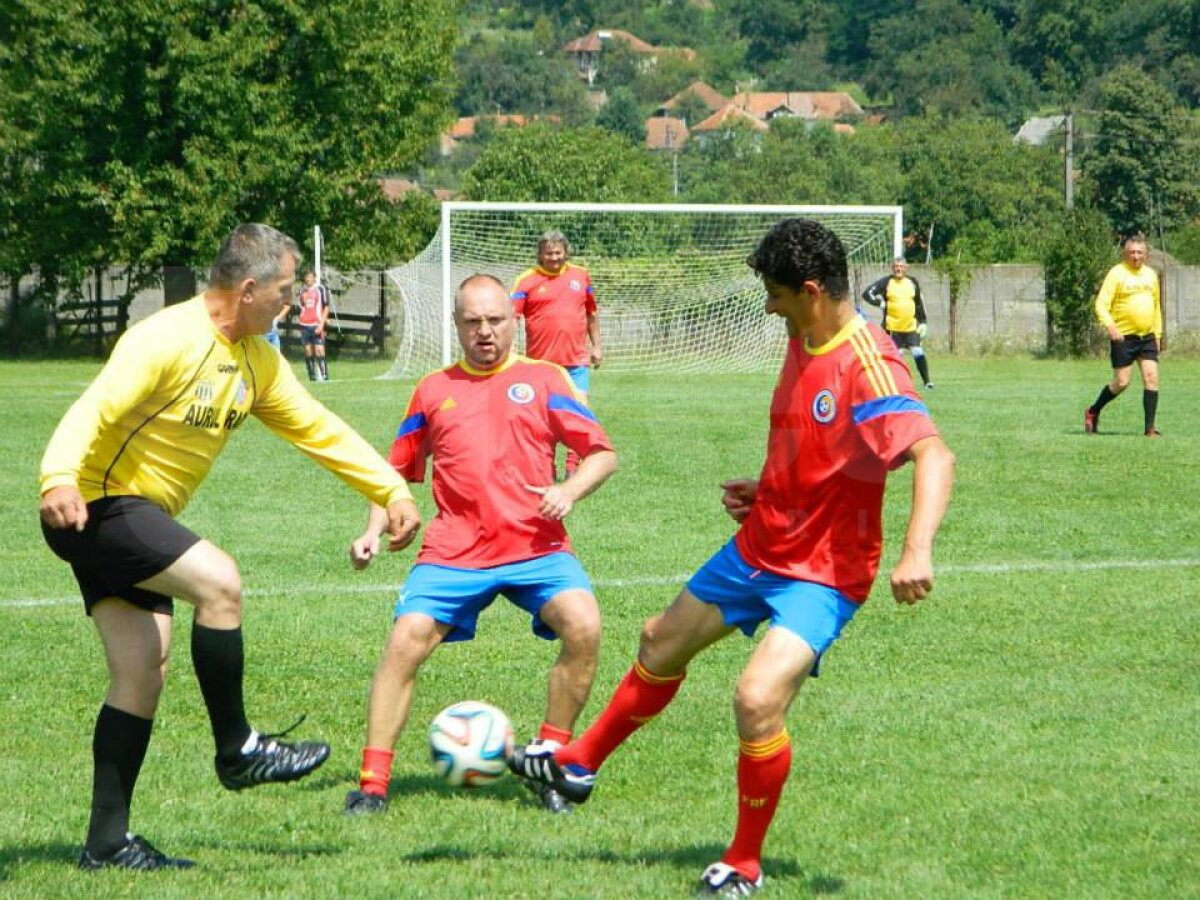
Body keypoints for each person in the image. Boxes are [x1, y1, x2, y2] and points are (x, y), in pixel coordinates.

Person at [509, 219, 955, 896]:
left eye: (775, 294)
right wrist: (770, 486)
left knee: (755, 699)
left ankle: (744, 862)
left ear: (810, 290)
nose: (768, 306)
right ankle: (580, 764)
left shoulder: (871, 363)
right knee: (659, 641)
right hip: (762, 543)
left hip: (825, 572)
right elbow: (819, 443)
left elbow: (932, 453)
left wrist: (916, 551)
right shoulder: (800, 335)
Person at [38, 223, 422, 871]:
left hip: (132, 516)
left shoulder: (258, 361)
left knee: (140, 671)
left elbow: (319, 430)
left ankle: (105, 844)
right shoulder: (165, 338)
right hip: (94, 503)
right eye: (285, 288)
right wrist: (57, 476)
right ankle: (238, 748)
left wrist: (391, 491)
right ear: (247, 289)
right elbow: (97, 407)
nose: (294, 300)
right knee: (219, 581)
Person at [343, 273, 617, 818]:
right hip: (454, 551)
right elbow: (392, 473)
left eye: (495, 321)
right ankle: (372, 785)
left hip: (537, 548)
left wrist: (567, 490)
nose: (485, 332)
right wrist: (373, 530)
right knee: (405, 643)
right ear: (456, 325)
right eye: (473, 322)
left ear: (512, 321)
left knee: (584, 624)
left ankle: (548, 760)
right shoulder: (432, 389)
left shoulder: (547, 379)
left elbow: (602, 453)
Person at [510, 231, 603, 473]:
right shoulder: (526, 280)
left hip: (575, 361)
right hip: (540, 366)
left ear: (565, 252)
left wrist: (597, 346)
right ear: (540, 254)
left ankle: (572, 465)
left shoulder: (581, 276)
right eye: (548, 253)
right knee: (542, 417)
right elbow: (512, 318)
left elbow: (591, 313)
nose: (554, 257)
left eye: (558, 252)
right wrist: (511, 348)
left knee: (580, 411)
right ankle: (545, 464)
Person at [1084, 234, 1163, 436]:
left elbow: (1156, 307)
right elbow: (1101, 304)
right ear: (1125, 254)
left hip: (1146, 336)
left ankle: (1150, 429)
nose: (1136, 256)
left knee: (1152, 377)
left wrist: (1158, 334)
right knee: (1121, 382)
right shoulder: (1117, 273)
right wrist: (1110, 326)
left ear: (1146, 255)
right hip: (1123, 338)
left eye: (1140, 252)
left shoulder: (1150, 275)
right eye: (1132, 252)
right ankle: (1093, 411)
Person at [862, 257, 934, 389]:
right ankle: (896, 384)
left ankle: (927, 382)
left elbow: (918, 303)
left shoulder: (912, 282)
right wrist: (880, 303)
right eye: (896, 266)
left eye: (901, 266)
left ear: (906, 268)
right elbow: (867, 294)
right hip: (892, 328)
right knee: (895, 357)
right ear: (892, 267)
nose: (898, 268)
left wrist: (923, 322)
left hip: (910, 326)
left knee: (918, 351)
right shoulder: (886, 282)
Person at [296, 269, 331, 381]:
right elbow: (301, 307)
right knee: (308, 350)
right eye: (306, 277)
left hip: (317, 324)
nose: (308, 279)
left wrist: (322, 324)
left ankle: (324, 376)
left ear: (314, 278)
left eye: (310, 277)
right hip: (304, 325)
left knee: (319, 350)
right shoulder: (302, 291)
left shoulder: (320, 289)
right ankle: (312, 376)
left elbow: (326, 307)